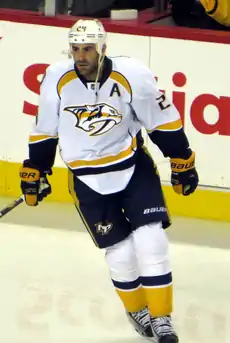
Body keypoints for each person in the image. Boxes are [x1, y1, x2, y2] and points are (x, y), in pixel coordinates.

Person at [19, 19, 198, 342]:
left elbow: (161, 120)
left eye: (88, 48)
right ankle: (137, 309)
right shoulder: (56, 78)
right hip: (87, 180)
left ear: (103, 48)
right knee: (121, 251)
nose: (81, 56)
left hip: (132, 170)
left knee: (151, 240)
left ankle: (162, 319)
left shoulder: (132, 75)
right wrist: (36, 169)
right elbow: (45, 129)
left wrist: (181, 158)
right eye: (76, 49)